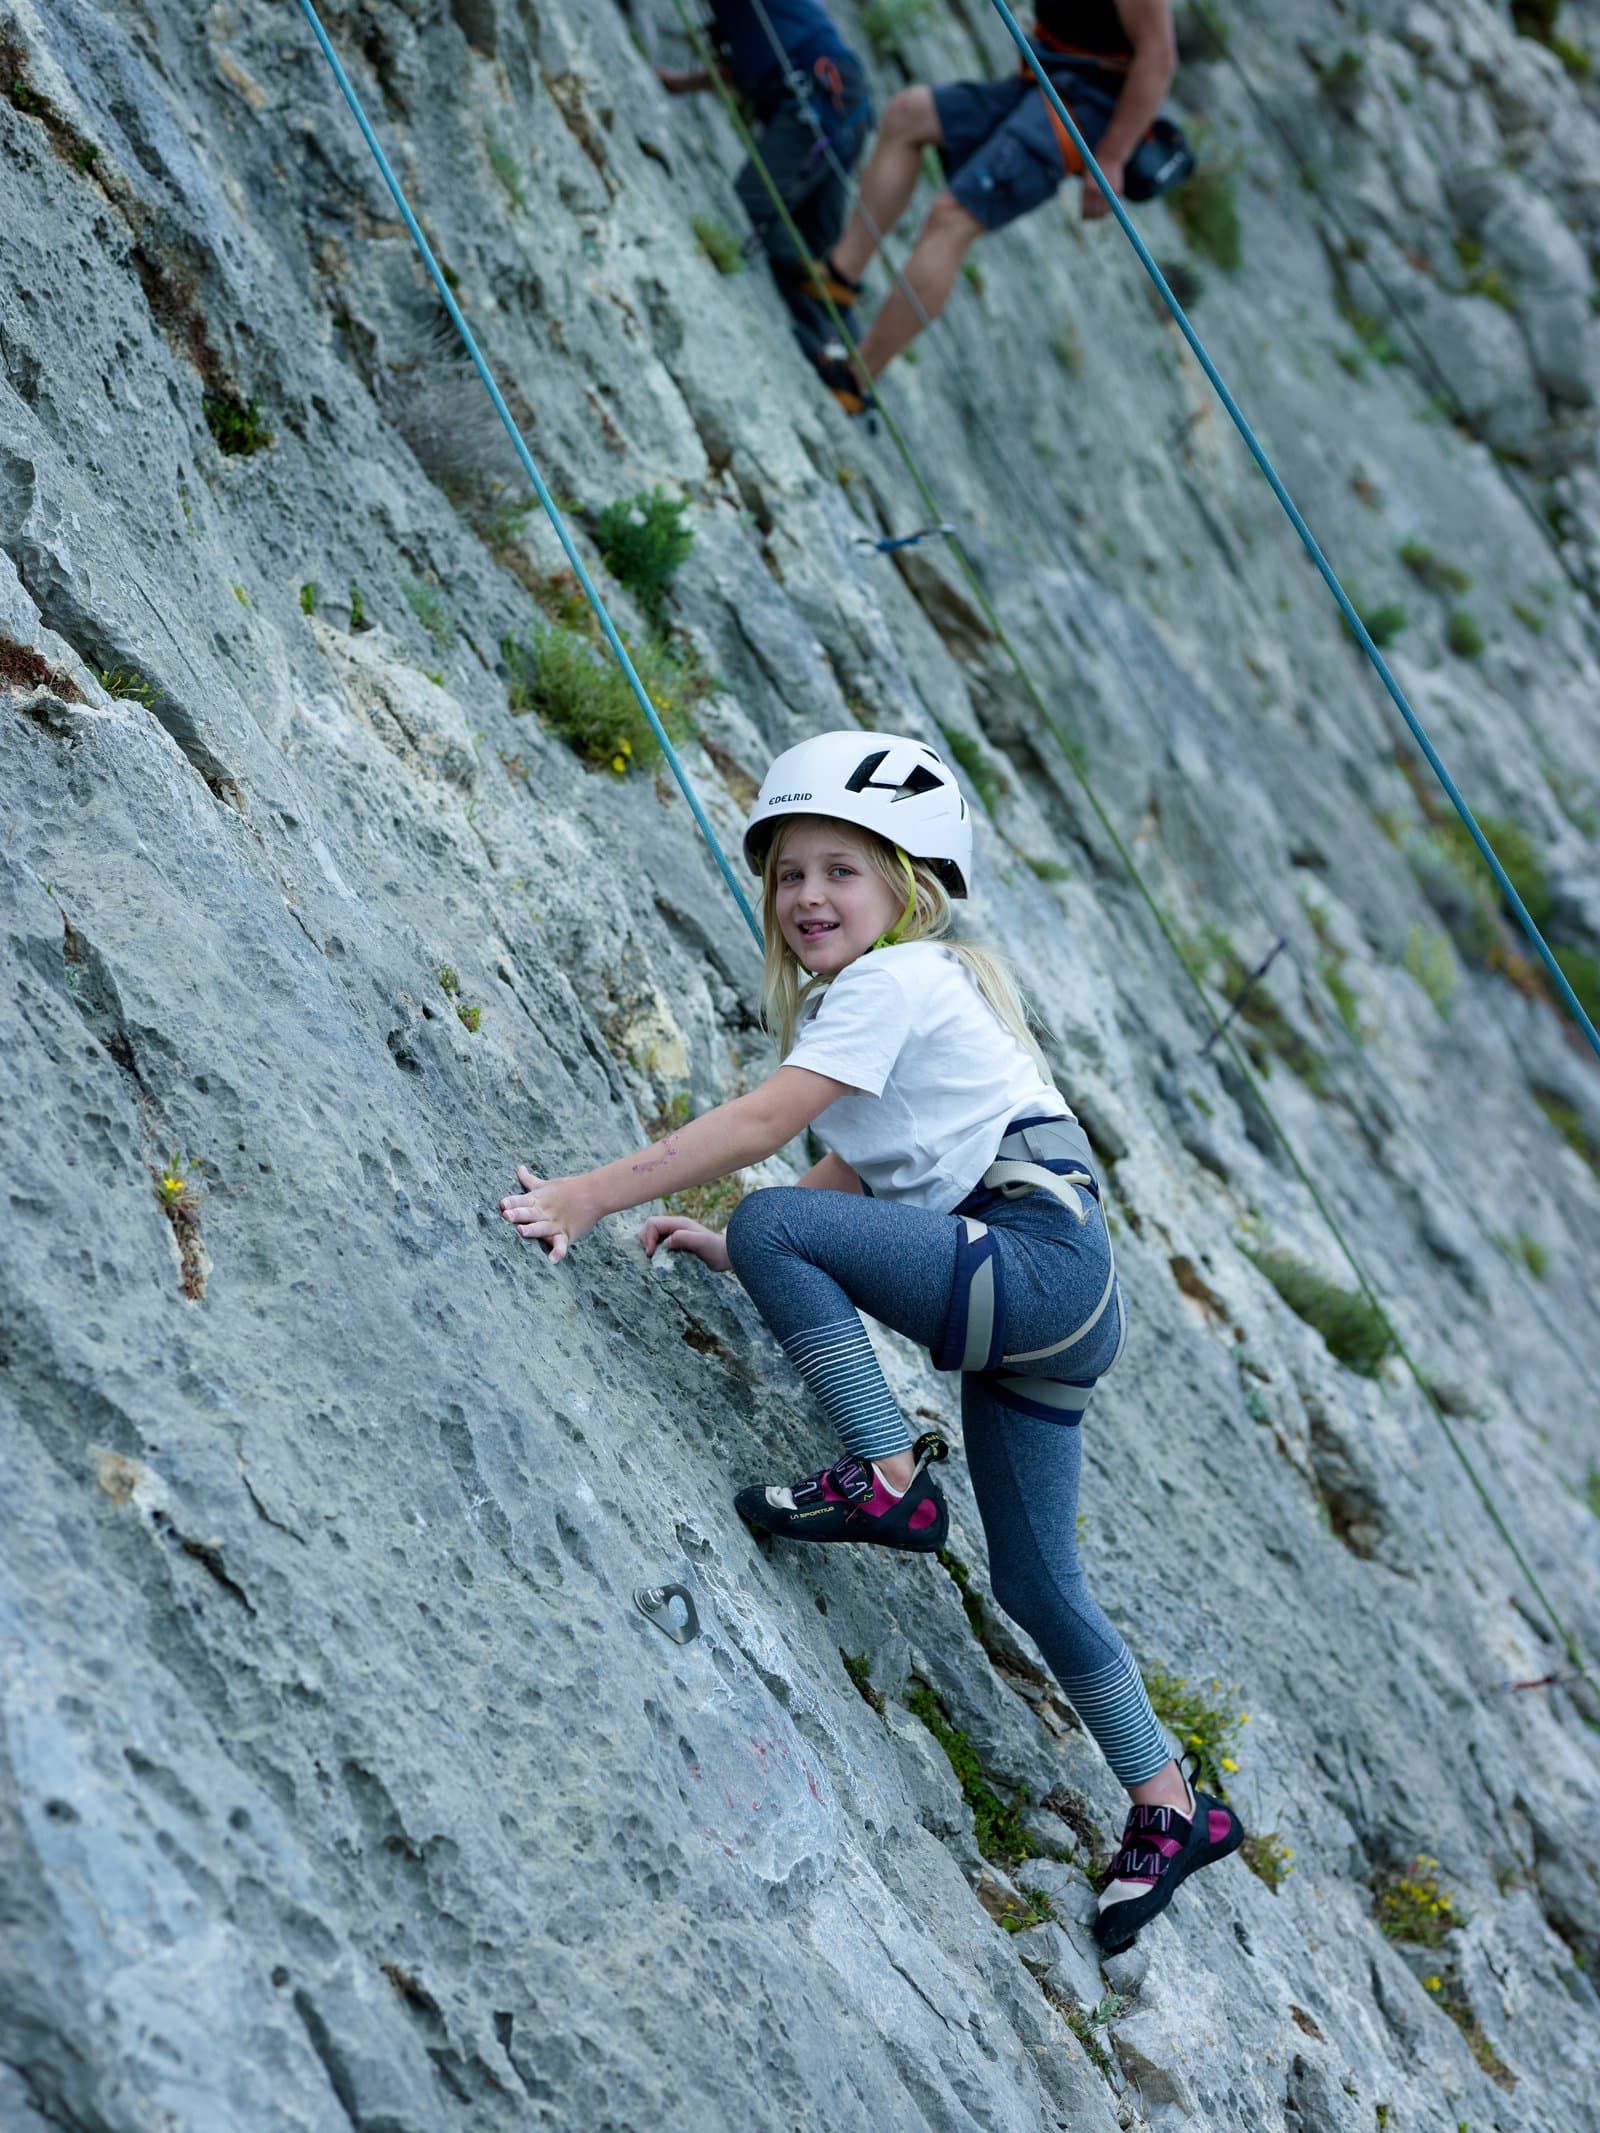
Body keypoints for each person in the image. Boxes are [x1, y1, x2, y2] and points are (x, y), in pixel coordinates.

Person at [500, 729, 1243, 1949]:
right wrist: (742, 1248)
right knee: (1036, 1582)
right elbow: (860, 1167)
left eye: (841, 871)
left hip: (1034, 1266)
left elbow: (763, 1128)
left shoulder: (892, 981)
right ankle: (1170, 1808)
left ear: (907, 886)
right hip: (1057, 1297)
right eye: (790, 875)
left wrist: (591, 1194)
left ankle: (887, 1477)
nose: (807, 897)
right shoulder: (918, 997)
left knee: (771, 1210)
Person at [811, 0, 1179, 410]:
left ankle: (856, 379)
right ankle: (836, 278)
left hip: (1080, 112)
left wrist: (1111, 157)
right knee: (908, 116)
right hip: (1045, 83)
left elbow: (1159, 58)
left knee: (952, 217)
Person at [656, 1, 873, 355]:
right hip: (838, 99)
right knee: (814, 239)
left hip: (821, 98)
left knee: (754, 205)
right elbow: (745, 63)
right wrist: (681, 84)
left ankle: (842, 353)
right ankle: (844, 358)